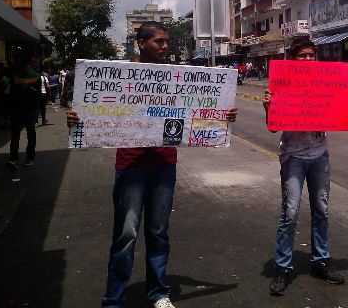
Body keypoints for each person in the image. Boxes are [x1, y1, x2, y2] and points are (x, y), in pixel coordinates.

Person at [67, 21, 239, 308]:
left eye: (166, 42)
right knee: (126, 234)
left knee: (158, 231)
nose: (165, 47)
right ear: (141, 43)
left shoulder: (176, 76)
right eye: (159, 42)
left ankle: (158, 293)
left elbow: (199, 108)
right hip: (131, 166)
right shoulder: (121, 76)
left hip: (164, 165)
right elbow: (92, 108)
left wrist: (224, 116)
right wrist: (75, 119)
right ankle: (113, 299)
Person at [263, 37, 348, 296]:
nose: (308, 60)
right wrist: (269, 107)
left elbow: (341, 112)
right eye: (302, 56)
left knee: (321, 209)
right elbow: (274, 126)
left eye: (311, 55)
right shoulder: (281, 84)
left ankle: (321, 261)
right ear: (293, 59)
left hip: (319, 154)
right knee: (290, 212)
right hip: (293, 157)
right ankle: (283, 267)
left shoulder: (326, 81)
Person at [8, 54, 40, 168]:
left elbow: (38, 94)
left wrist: (29, 88)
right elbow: (11, 92)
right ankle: (14, 158)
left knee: (29, 134)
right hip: (18, 109)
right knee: (15, 135)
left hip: (29, 110)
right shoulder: (16, 76)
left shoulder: (36, 77)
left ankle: (29, 158)